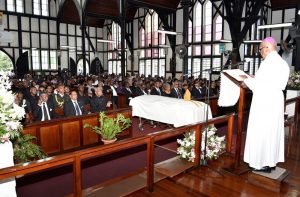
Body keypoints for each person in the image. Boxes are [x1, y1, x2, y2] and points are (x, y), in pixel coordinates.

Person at [240, 37, 290, 173]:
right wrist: (254, 77)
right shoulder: (282, 62)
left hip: (265, 100)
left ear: (267, 47)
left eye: (261, 49)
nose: (260, 52)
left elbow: (260, 85)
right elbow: (269, 80)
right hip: (276, 99)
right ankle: (270, 162)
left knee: (261, 131)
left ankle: (260, 163)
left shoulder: (268, 62)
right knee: (272, 132)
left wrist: (247, 80)